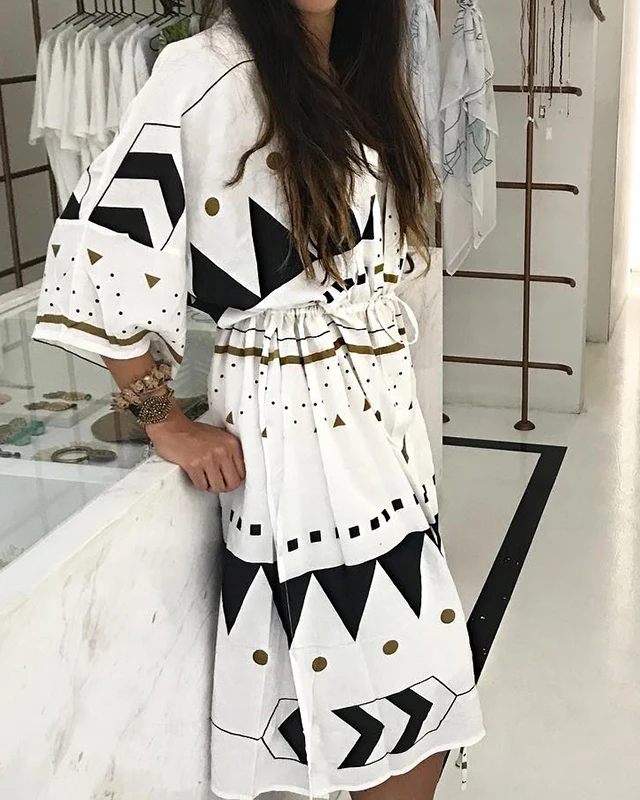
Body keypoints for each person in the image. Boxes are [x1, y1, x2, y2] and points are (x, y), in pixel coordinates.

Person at [32, 1, 485, 798]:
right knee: (398, 681)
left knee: (374, 679)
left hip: (377, 415)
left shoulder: (356, 70)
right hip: (296, 421)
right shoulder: (201, 71)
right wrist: (162, 419)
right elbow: (103, 246)